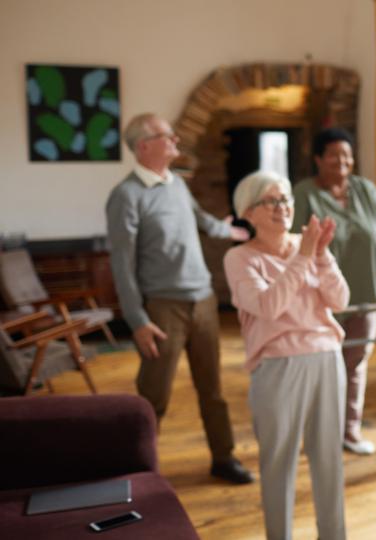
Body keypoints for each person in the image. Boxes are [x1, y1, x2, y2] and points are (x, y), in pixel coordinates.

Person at [105, 113, 253, 484]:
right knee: (153, 398)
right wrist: (137, 320)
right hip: (162, 309)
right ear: (143, 146)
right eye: (165, 135)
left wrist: (235, 231)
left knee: (213, 391)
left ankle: (224, 457)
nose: (174, 139)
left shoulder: (177, 185)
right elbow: (121, 265)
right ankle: (138, 471)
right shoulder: (125, 196)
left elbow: (203, 220)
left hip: (203, 301)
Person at [224, 171, 349, 540]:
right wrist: (306, 255)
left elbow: (340, 300)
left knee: (329, 461)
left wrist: (321, 255)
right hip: (278, 366)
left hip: (327, 357)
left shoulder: (308, 246)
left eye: (286, 199)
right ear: (248, 211)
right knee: (279, 463)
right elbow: (269, 305)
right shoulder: (240, 258)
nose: (283, 208)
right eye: (272, 201)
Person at [290, 127, 376, 455]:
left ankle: (349, 430)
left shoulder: (366, 190)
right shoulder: (304, 193)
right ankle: (317, 431)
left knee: (355, 364)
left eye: (346, 154)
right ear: (318, 159)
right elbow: (294, 245)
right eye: (333, 154)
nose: (341, 161)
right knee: (319, 365)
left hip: (365, 296)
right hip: (319, 300)